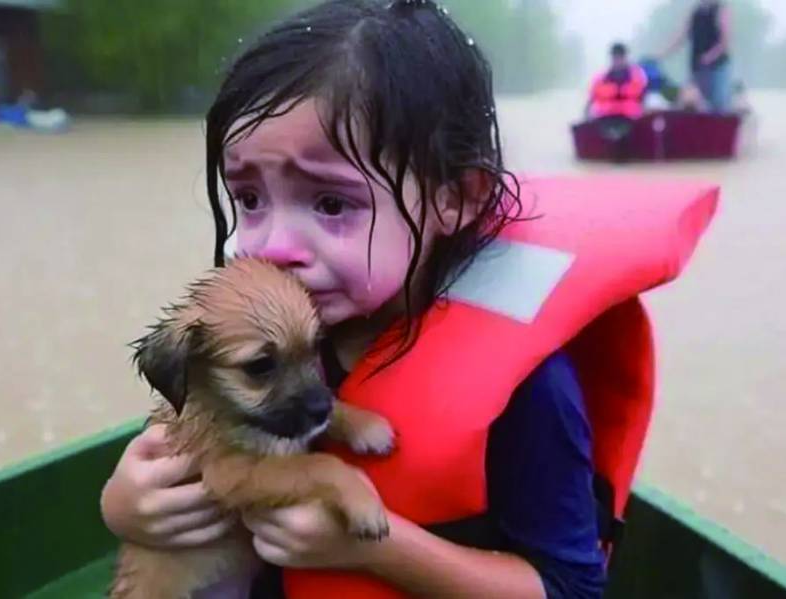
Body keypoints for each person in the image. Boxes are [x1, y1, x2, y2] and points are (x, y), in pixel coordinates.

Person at [100, 2, 716, 598]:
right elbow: (196, 450)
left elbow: (571, 588)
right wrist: (127, 505)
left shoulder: (531, 391)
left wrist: (374, 546)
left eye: (331, 203)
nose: (275, 245)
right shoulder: (267, 326)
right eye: (250, 199)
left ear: (455, 198)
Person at [660, 0, 733, 113]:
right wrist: (662, 54)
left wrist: (710, 56)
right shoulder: (695, 12)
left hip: (718, 67)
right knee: (688, 102)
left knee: (719, 104)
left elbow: (725, 41)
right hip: (698, 67)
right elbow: (681, 36)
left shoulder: (721, 9)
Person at [587, 42, 648, 119]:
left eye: (620, 56)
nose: (618, 59)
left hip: (632, 119)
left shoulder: (638, 76)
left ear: (625, 57)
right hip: (605, 119)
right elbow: (590, 102)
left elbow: (644, 98)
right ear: (611, 58)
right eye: (615, 56)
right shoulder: (600, 78)